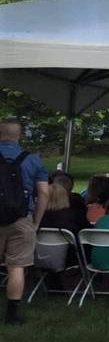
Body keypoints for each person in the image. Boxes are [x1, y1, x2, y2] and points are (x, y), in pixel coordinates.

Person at [0, 118, 49, 325]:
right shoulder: (33, 160)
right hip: (21, 218)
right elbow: (44, 193)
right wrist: (36, 221)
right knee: (16, 266)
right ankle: (12, 315)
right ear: (19, 136)